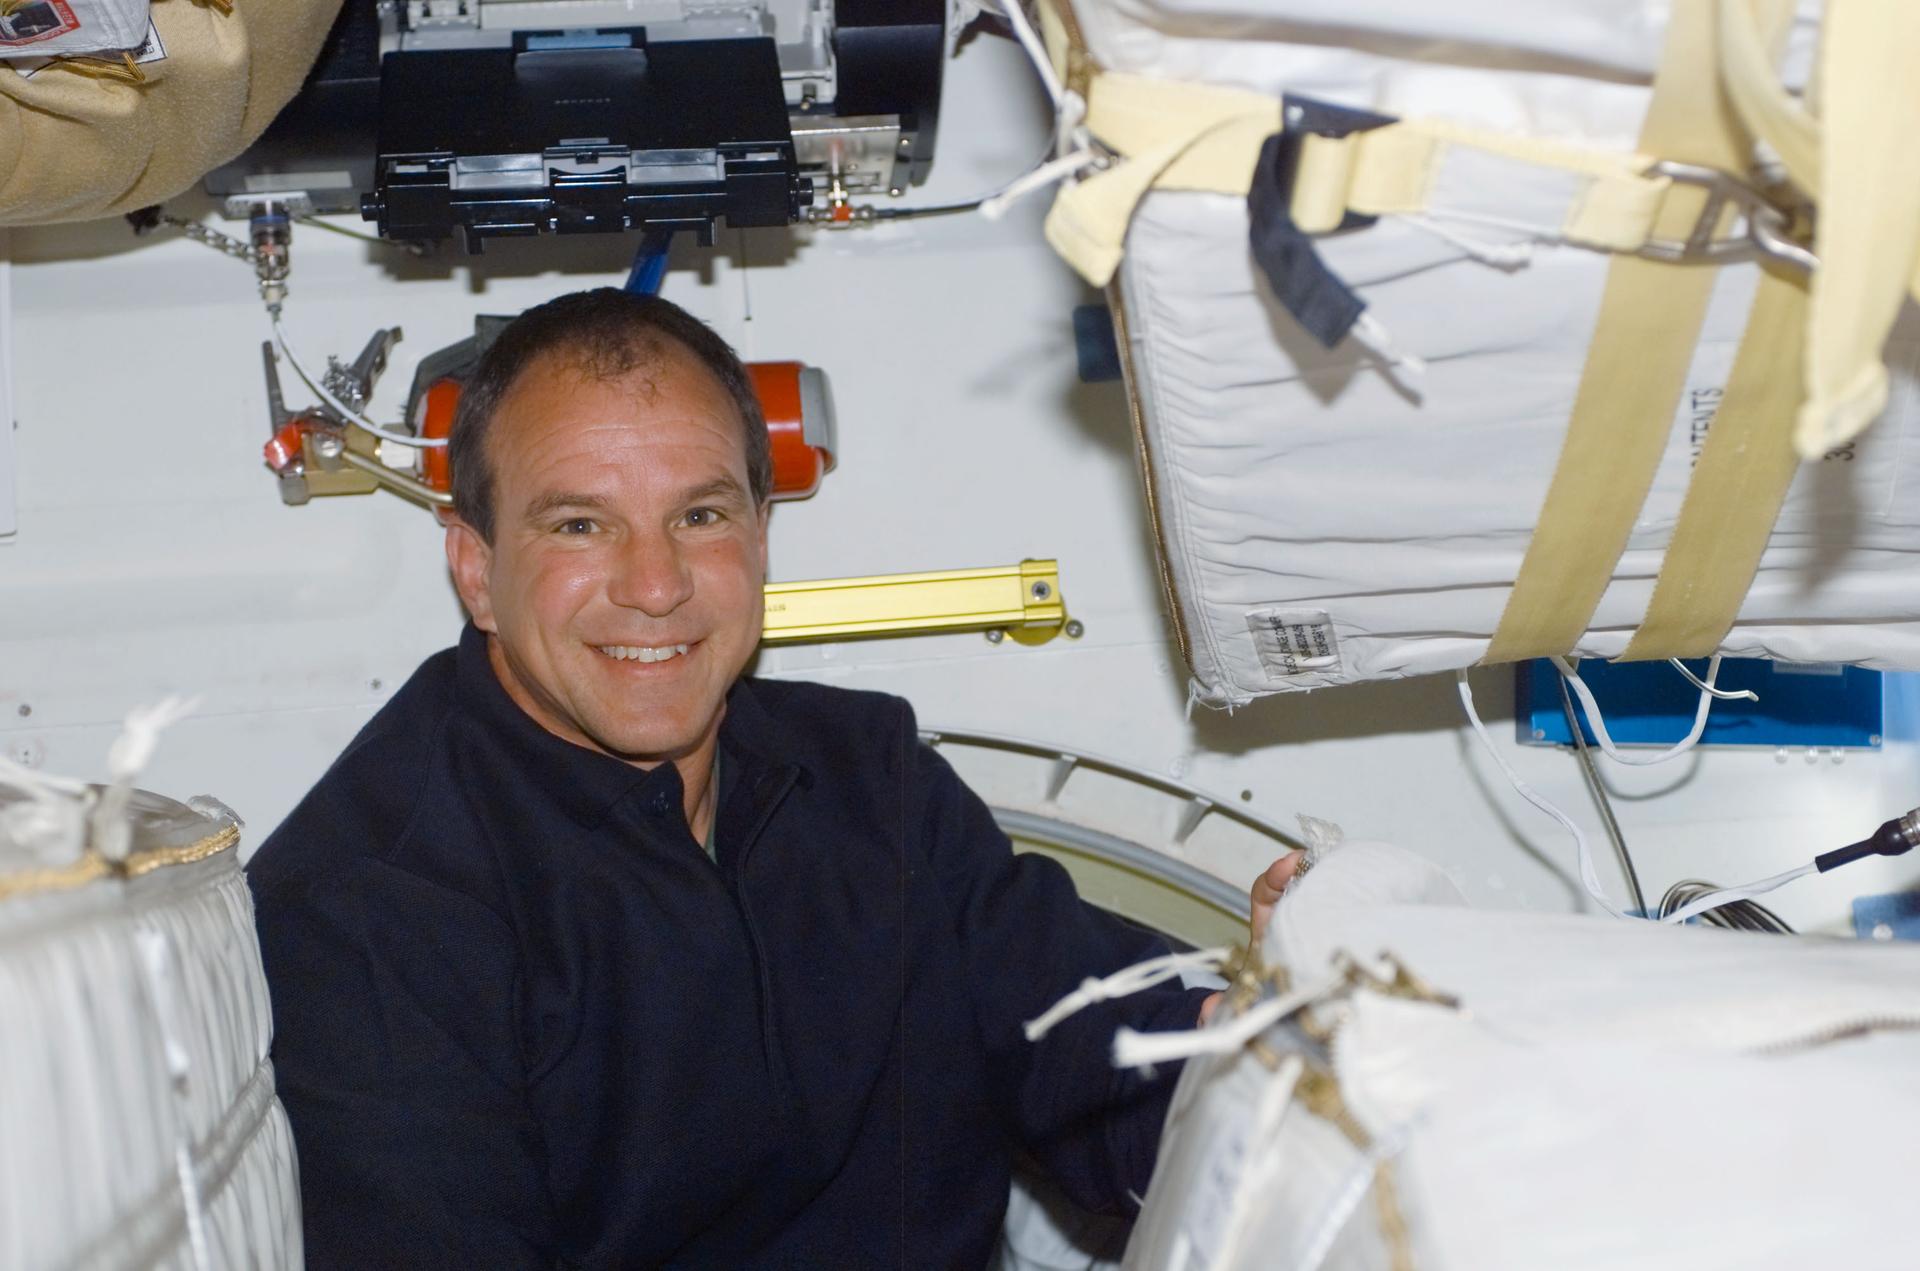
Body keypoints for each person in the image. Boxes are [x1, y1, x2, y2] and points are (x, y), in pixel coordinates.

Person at [248, 288, 1300, 1268]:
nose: (655, 585)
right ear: (477, 569)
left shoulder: (869, 776)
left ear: (760, 536)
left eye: (700, 516)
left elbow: (1085, 1047)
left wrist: (1257, 1034)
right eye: (580, 524)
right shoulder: (368, 909)